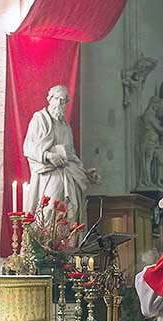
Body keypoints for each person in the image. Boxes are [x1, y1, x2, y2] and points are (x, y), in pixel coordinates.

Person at [23, 85, 98, 224]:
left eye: (64, 101)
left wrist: (84, 172)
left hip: (68, 174)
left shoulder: (65, 125)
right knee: (50, 208)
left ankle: (65, 245)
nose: (61, 104)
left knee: (70, 211)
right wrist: (48, 155)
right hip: (50, 174)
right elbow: (28, 147)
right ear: (50, 99)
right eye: (59, 99)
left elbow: (70, 154)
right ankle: (45, 243)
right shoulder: (39, 119)